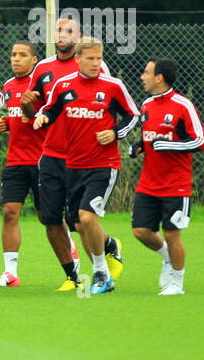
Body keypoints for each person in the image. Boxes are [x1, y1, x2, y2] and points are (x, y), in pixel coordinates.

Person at [33, 39, 140, 294]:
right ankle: (107, 252)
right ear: (78, 59)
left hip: (103, 164)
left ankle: (101, 272)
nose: (95, 63)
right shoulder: (64, 85)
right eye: (90, 59)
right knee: (78, 223)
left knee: (86, 217)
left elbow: (133, 115)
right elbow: (52, 109)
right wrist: (43, 117)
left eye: (99, 58)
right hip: (72, 164)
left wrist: (115, 133)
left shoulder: (113, 86)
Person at [130, 58, 204, 295]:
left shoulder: (183, 105)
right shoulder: (147, 105)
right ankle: (166, 258)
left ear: (159, 77)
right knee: (140, 231)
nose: (142, 77)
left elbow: (200, 141)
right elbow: (150, 137)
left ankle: (177, 283)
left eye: (146, 72)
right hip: (148, 183)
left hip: (176, 185)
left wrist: (170, 144)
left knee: (172, 234)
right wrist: (139, 145)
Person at [0, 41, 42, 287]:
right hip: (15, 161)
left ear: (34, 60)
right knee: (9, 213)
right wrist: (7, 124)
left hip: (43, 160)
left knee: (48, 218)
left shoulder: (43, 85)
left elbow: (51, 121)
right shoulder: (9, 86)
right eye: (13, 54)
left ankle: (72, 262)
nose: (16, 59)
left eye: (22, 55)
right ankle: (10, 273)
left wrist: (31, 112)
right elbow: (15, 119)